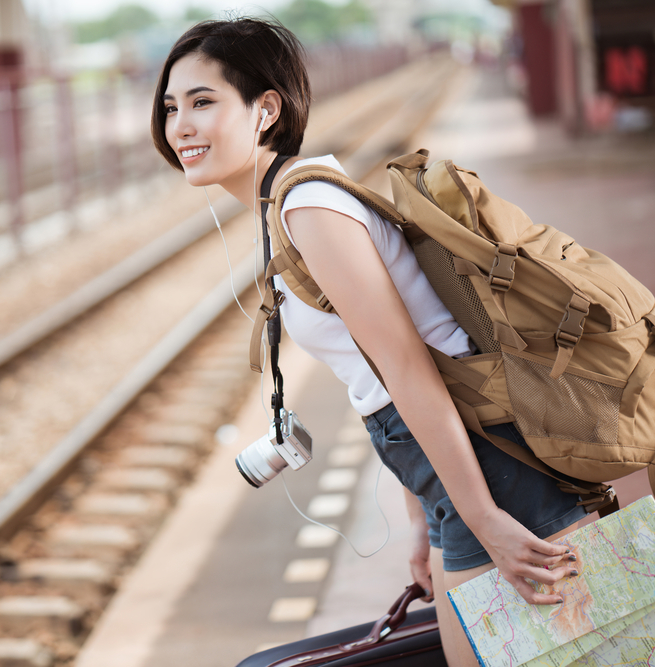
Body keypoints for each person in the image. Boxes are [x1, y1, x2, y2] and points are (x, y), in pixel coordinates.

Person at [151, 17, 585, 666]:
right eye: (170, 107)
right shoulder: (284, 208)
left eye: (203, 102)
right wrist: (424, 518)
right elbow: (378, 378)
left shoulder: (307, 207)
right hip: (454, 476)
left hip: (489, 467)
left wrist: (483, 515)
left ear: (265, 109)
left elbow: (410, 366)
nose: (180, 125)